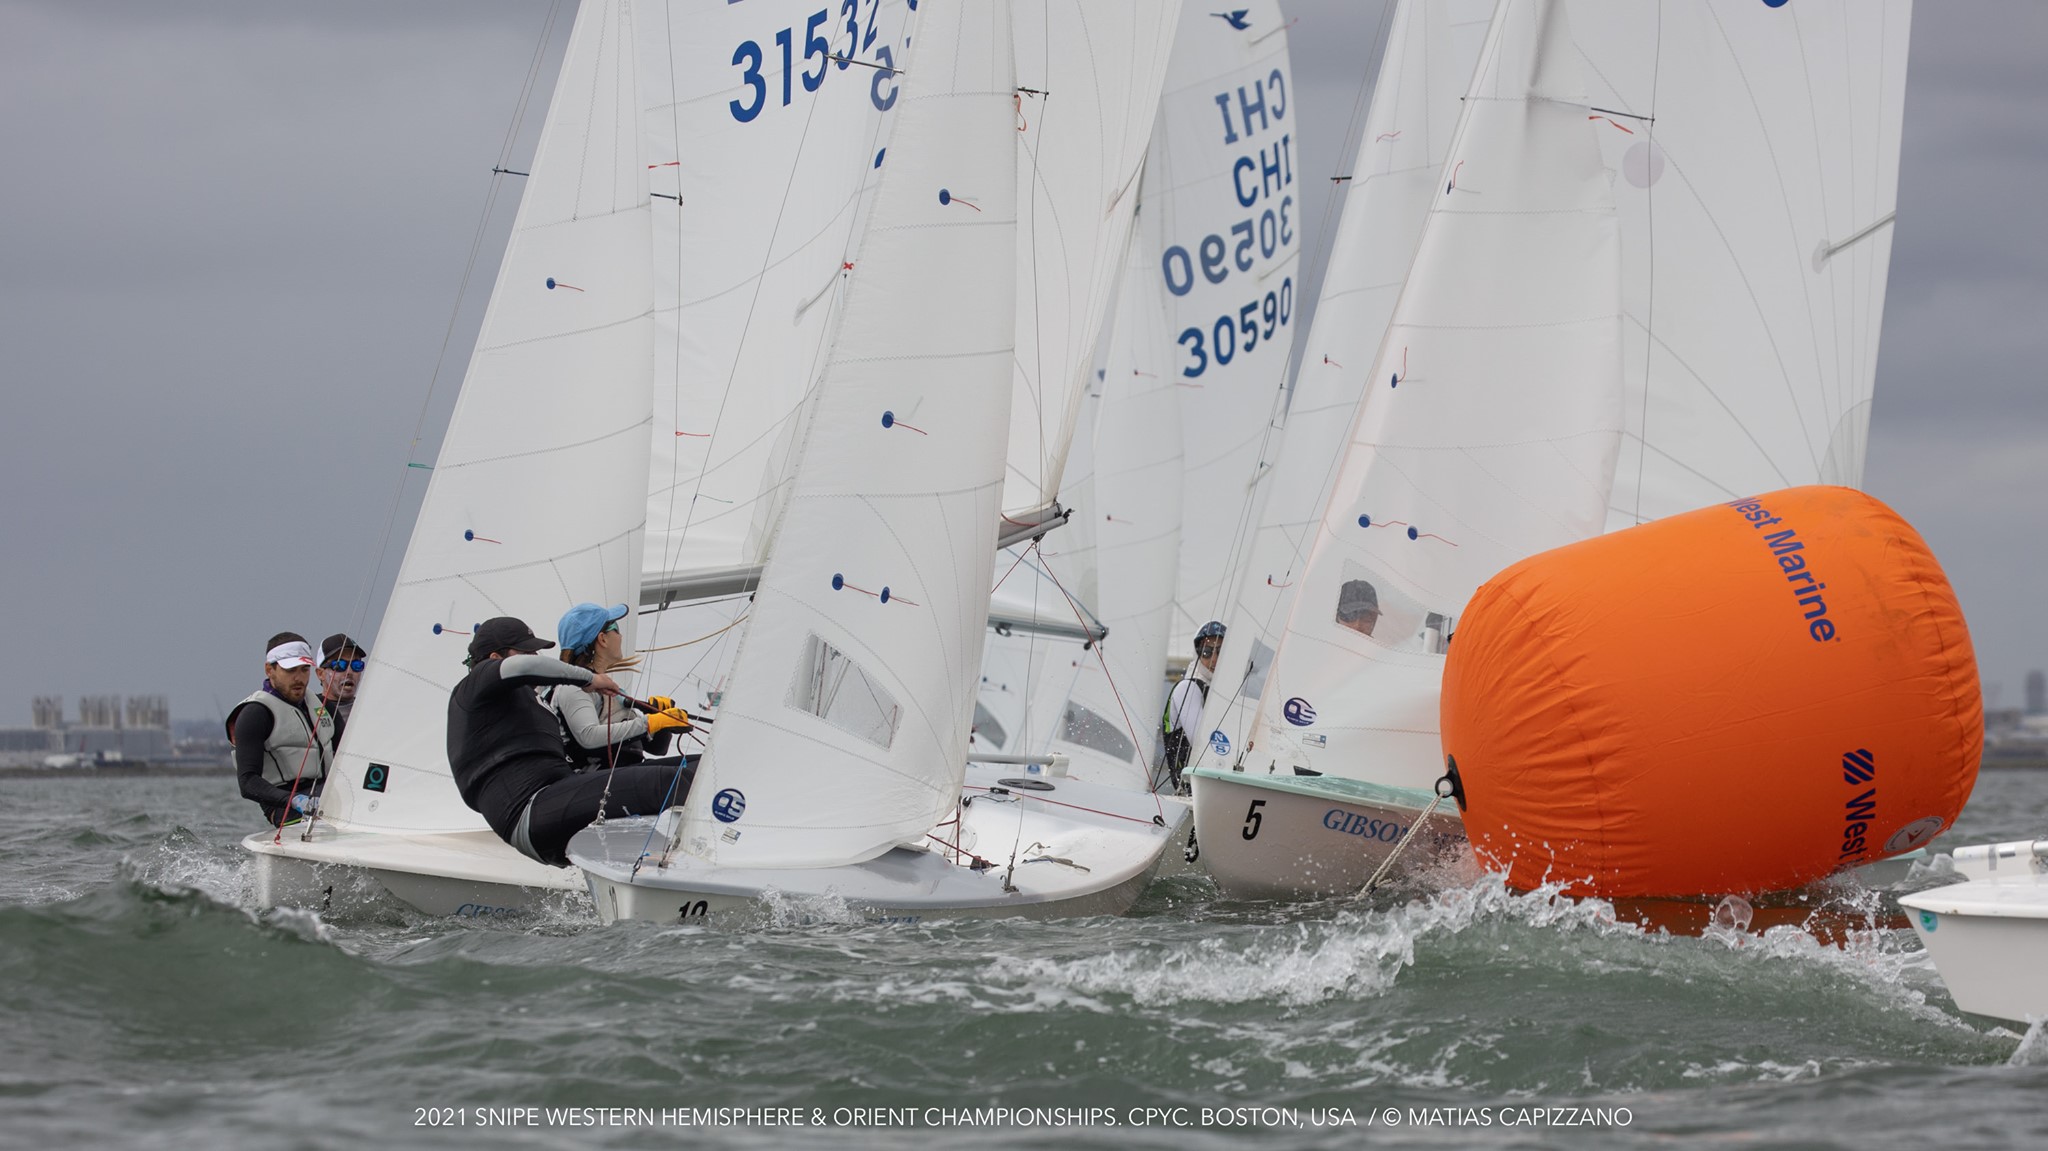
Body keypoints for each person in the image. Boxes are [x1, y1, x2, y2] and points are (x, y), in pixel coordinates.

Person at [447, 616, 690, 868]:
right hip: (530, 811)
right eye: (527, 652)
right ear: (495, 659)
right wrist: (590, 679)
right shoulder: (473, 685)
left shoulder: (527, 699)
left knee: (697, 769)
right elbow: (524, 668)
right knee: (670, 782)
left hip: (556, 797)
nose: (535, 656)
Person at [545, 602, 691, 769]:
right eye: (617, 629)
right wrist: (650, 722)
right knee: (686, 773)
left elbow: (658, 749)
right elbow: (589, 737)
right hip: (596, 779)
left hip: (626, 772)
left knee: (699, 766)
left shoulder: (610, 690)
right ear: (602, 639)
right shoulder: (573, 687)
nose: (621, 636)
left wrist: (661, 719)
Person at [227, 634, 336, 827]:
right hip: (285, 806)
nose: (299, 678)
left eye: (304, 670)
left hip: (329, 795)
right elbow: (247, 782)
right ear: (269, 670)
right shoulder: (255, 713)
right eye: (290, 670)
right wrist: (294, 800)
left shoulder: (318, 703)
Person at [1159, 620, 1225, 791]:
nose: (1214, 659)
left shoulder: (1230, 692)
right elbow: (1202, 745)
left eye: (1221, 651)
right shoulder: (1187, 688)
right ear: (1197, 655)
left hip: (1224, 785)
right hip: (1194, 790)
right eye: (1207, 652)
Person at [317, 632, 368, 745]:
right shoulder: (309, 710)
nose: (349, 672)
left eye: (356, 665)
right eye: (339, 665)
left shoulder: (370, 710)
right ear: (320, 673)